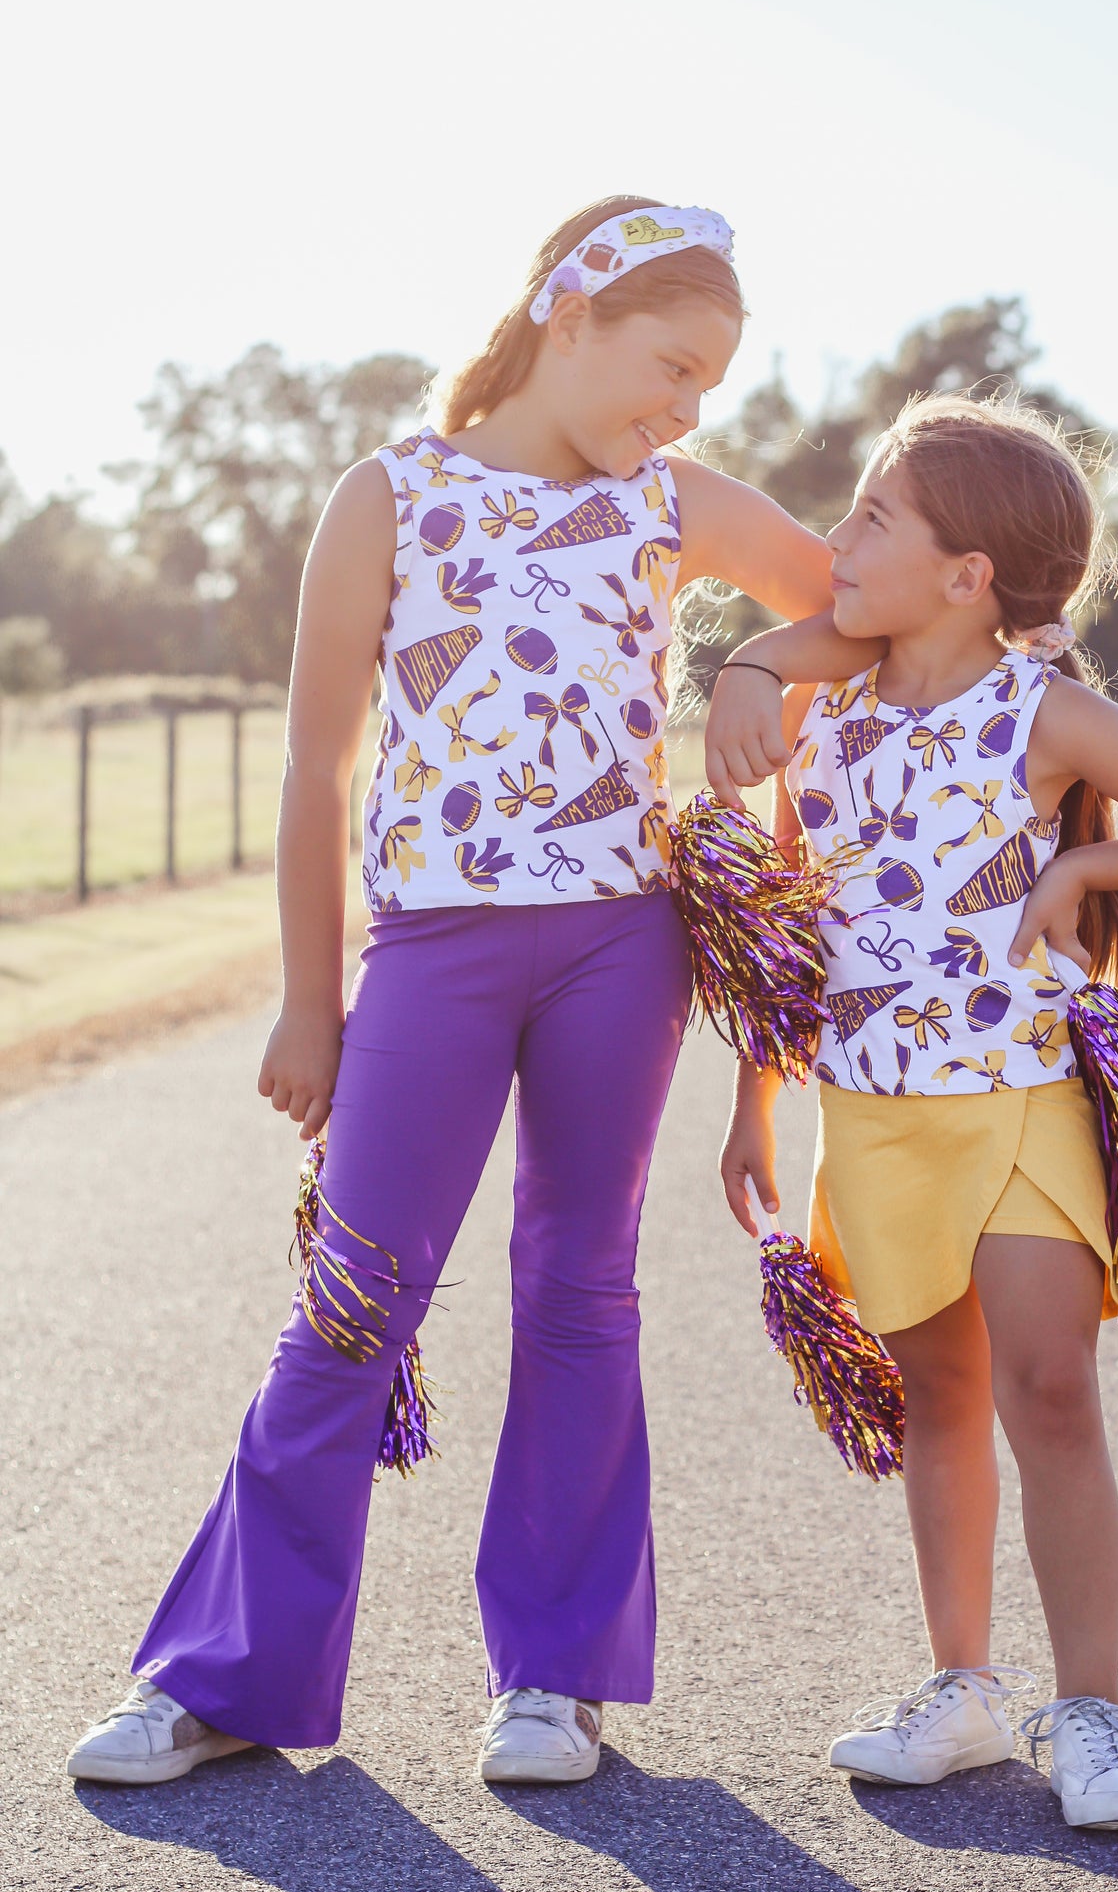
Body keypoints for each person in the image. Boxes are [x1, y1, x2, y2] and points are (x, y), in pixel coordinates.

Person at [66, 195, 861, 1791]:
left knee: (581, 1287)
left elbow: (856, 600)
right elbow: (313, 764)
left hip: (617, 944)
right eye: (667, 364)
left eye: (708, 385)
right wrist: (309, 1002)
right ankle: (228, 1674)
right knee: (354, 1297)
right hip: (429, 947)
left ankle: (553, 1680)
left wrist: (754, 668)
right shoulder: (392, 496)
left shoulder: (669, 499)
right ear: (566, 319)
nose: (686, 407)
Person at [714, 392, 1118, 1830]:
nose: (832, 540)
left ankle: (1091, 1715)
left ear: (968, 576)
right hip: (872, 1119)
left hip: (1020, 1105)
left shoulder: (1045, 713)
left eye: (870, 519)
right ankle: (962, 1693)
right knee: (940, 1404)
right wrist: (751, 1108)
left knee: (1047, 1392)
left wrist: (1083, 879)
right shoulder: (820, 725)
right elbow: (786, 935)